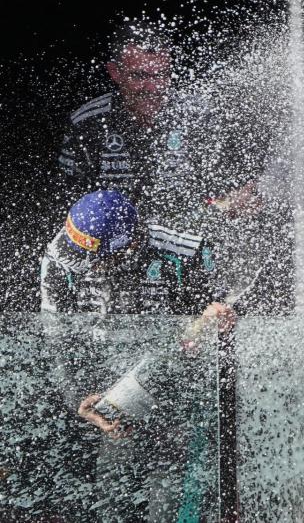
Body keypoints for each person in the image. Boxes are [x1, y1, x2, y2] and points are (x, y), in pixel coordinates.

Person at [39, 190, 235, 521]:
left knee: (167, 494)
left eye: (96, 261)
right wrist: (79, 398)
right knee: (109, 494)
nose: (89, 269)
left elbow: (217, 309)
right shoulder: (61, 257)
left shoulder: (183, 251)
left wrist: (217, 314)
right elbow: (57, 341)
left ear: (127, 245)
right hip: (105, 392)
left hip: (172, 390)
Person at [55, 22, 261, 229]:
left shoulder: (201, 118)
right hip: (115, 244)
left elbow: (233, 191)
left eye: (160, 75)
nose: (153, 88)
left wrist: (235, 201)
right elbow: (68, 204)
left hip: (190, 235)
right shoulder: (88, 123)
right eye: (140, 76)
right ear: (115, 72)